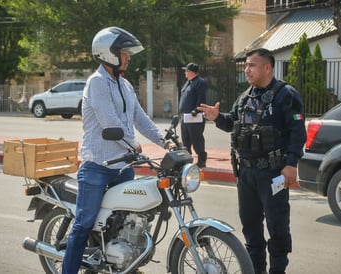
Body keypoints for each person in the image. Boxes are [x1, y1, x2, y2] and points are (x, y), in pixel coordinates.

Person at [62, 26, 171, 274]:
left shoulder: (125, 85)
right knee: (84, 224)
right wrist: (136, 145)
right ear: (108, 54)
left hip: (122, 167)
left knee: (125, 220)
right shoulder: (96, 83)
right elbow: (110, 123)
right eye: (124, 52)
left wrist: (166, 142)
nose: (128, 57)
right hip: (97, 168)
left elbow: (140, 118)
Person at [198, 48, 306, 274]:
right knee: (251, 228)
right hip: (246, 175)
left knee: (277, 228)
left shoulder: (286, 94)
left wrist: (291, 164)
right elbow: (232, 124)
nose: (246, 70)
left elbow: (297, 132)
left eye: (252, 65)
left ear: (267, 67)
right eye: (246, 65)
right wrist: (218, 117)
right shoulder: (245, 97)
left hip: (273, 173)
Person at [178, 62, 207, 167]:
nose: (185, 73)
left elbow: (201, 98)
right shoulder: (188, 83)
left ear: (190, 72)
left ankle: (201, 160)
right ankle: (187, 160)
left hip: (194, 117)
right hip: (185, 117)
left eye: (186, 71)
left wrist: (197, 109)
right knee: (185, 139)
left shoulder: (200, 82)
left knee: (196, 138)